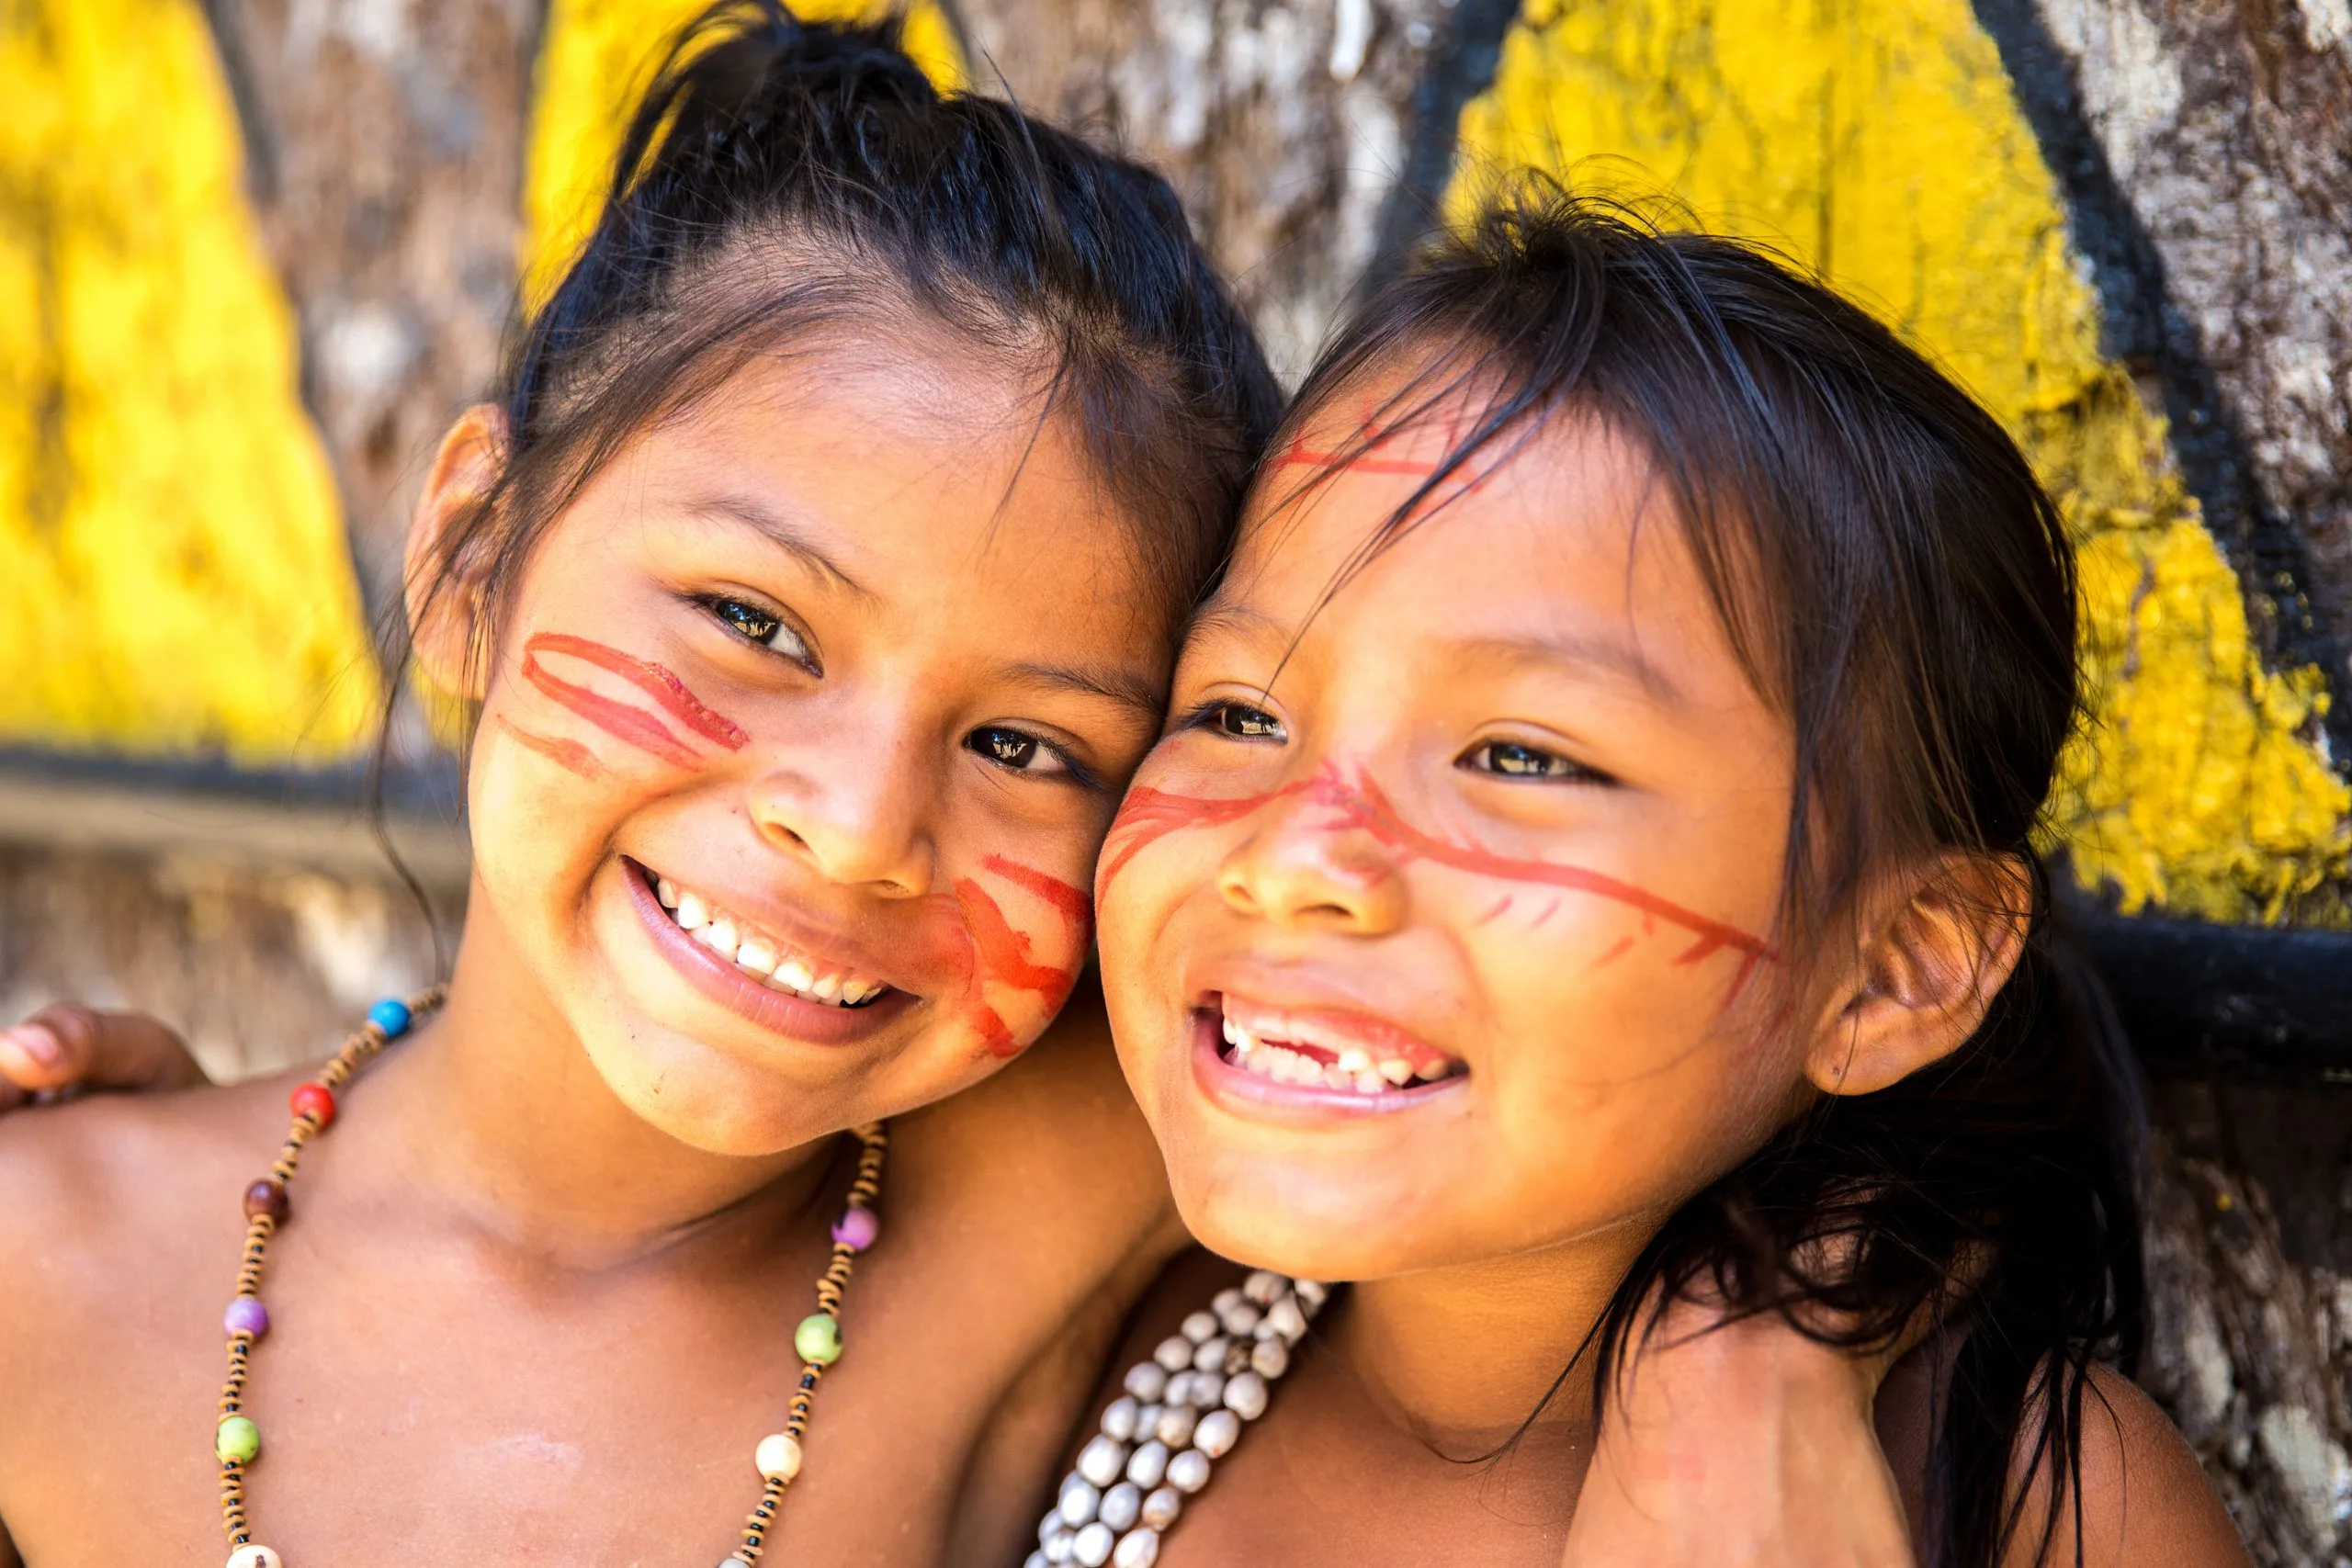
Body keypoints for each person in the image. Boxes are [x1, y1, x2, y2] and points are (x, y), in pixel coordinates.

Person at [0, 9, 1922, 1567]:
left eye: (1028, 747)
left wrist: (1741, 1362)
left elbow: (1736, 1038)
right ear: (471, 555)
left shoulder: (1108, 1158)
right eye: (751, 618)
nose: (851, 822)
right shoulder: (41, 1262)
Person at [1051, 195, 2252, 1566]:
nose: (1294, 855)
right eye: (1239, 714)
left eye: (1521, 753)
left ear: (1897, 965)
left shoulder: (2031, 1504)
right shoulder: (1065, 1314)